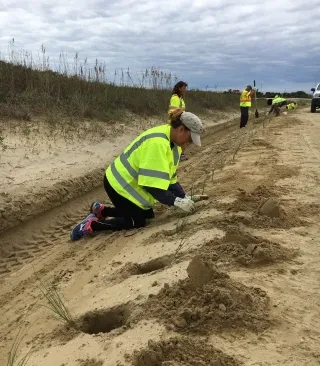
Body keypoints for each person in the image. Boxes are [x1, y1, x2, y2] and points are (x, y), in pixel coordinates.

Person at [71, 110, 206, 241]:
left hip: (129, 182)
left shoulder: (174, 145)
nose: (188, 144)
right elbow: (152, 187)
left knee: (147, 214)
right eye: (189, 139)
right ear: (181, 129)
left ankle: (101, 211)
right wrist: (176, 201)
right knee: (136, 220)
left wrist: (184, 197)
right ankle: (90, 225)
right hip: (118, 184)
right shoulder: (157, 144)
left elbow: (171, 179)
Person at [168, 81, 188, 161]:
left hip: (180, 121)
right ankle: (180, 155)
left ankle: (180, 155)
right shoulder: (175, 98)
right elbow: (172, 112)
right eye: (184, 88)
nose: (185, 89)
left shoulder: (180, 99)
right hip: (177, 122)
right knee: (180, 139)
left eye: (185, 88)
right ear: (179, 88)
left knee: (180, 140)